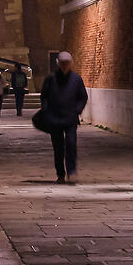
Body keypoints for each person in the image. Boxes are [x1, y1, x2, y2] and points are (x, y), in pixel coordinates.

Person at [40, 50, 87, 182]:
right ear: (58, 64)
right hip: (55, 118)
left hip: (70, 118)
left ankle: (71, 171)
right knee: (58, 147)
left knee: (71, 144)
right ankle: (60, 173)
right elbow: (44, 96)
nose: (65, 66)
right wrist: (46, 110)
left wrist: (77, 110)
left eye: (67, 63)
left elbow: (82, 97)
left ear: (71, 64)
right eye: (62, 63)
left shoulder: (76, 79)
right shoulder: (50, 79)